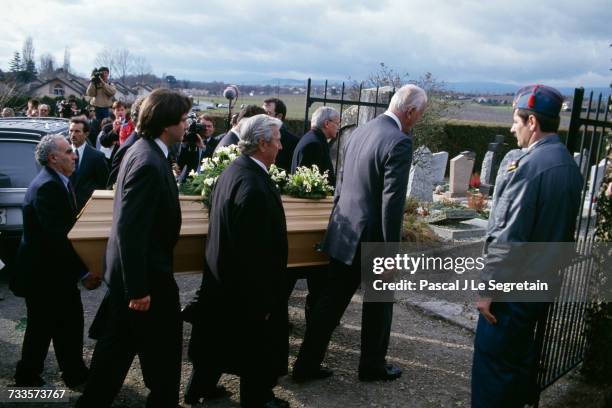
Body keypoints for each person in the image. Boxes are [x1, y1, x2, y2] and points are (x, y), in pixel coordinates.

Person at [292, 84, 427, 383]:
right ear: (410, 111)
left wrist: (335, 225)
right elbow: (392, 203)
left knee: (330, 303)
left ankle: (306, 365)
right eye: (419, 114)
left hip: (345, 228)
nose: (418, 119)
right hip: (373, 237)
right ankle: (372, 366)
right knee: (378, 304)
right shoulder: (399, 141)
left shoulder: (358, 132)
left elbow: (341, 184)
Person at [76, 89, 191, 408]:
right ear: (167, 124)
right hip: (145, 280)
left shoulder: (144, 151)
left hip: (137, 278)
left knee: (118, 355)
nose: (186, 126)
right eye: (182, 120)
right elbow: (130, 229)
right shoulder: (147, 160)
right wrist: (138, 289)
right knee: (160, 353)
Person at [471, 85, 583, 408]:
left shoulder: (527, 168)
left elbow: (509, 235)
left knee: (492, 374)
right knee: (517, 370)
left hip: (511, 294)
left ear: (532, 122)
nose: (512, 128)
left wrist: (487, 291)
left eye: (516, 121)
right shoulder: (567, 165)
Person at [186, 114, 290, 408]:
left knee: (217, 339)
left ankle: (199, 388)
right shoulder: (252, 185)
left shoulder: (235, 169)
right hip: (246, 287)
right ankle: (257, 399)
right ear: (261, 143)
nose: (281, 147)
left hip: (223, 278)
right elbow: (254, 252)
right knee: (254, 345)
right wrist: (264, 299)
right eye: (278, 141)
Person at [10, 134, 101, 387]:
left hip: (49, 272)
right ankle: (32, 378)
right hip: (44, 274)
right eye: (69, 151)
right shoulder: (48, 186)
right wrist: (84, 272)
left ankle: (67, 373)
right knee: (55, 326)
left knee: (58, 325)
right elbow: (59, 238)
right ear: (53, 158)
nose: (74, 155)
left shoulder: (58, 181)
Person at [287, 106, 339, 326]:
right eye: (337, 122)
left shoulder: (314, 140)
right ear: (327, 123)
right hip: (309, 219)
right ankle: (316, 318)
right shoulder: (313, 144)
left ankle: (318, 317)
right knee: (314, 276)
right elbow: (307, 184)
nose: (338, 126)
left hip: (310, 218)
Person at [68, 118, 109, 211]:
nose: (73, 134)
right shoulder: (62, 153)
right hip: (66, 208)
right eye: (71, 131)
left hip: (87, 209)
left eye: (77, 131)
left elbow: (103, 185)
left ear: (86, 134)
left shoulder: (97, 157)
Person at [106, 97, 144, 188]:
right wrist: (114, 130)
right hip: (115, 158)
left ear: (126, 111)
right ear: (113, 111)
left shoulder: (131, 124)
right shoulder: (108, 125)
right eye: (117, 110)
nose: (120, 112)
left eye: (122, 110)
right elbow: (104, 141)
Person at [263, 98, 298, 172]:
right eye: (262, 113)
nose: (263, 117)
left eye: (268, 113)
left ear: (279, 116)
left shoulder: (293, 143)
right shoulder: (258, 137)